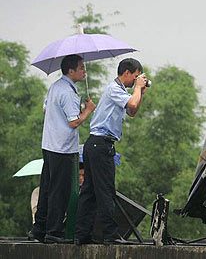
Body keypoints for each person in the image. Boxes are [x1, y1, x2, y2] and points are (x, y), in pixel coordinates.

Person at [75, 58, 147, 245]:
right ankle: (110, 234)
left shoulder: (121, 92)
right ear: (126, 73)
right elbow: (132, 104)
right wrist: (138, 88)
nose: (136, 81)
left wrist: (141, 91)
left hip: (96, 145)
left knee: (89, 191)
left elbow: (132, 112)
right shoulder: (114, 89)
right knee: (106, 190)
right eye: (136, 76)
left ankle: (82, 234)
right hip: (101, 145)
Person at [28, 55, 96, 243]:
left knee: (48, 188)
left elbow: (45, 109)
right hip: (63, 149)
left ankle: (38, 229)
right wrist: (88, 110)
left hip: (49, 145)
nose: (85, 71)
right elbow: (74, 122)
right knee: (60, 191)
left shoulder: (55, 87)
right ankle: (53, 232)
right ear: (71, 71)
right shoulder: (68, 92)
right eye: (81, 68)